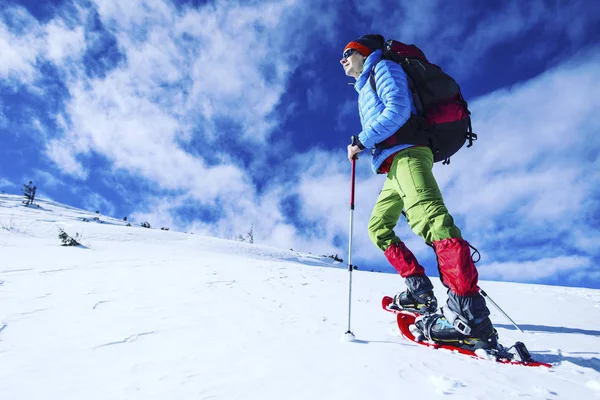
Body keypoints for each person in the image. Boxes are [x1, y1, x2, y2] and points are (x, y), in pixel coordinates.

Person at [341, 34, 498, 350]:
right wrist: (367, 144)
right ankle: (419, 292)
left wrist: (362, 140)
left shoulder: (382, 68)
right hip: (392, 164)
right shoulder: (365, 84)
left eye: (348, 53)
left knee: (432, 221)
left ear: (363, 53)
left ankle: (471, 319)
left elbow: (398, 109)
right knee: (378, 228)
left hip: (408, 153)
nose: (342, 59)